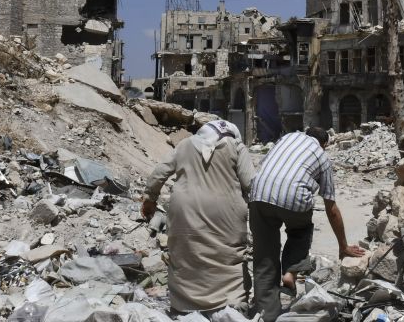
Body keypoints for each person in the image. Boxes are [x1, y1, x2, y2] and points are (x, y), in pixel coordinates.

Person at [247, 127, 367, 321]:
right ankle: (291, 271)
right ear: (324, 144)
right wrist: (343, 246)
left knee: (264, 256)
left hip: (259, 192)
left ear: (306, 134)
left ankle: (266, 314)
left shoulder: (287, 137)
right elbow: (331, 207)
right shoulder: (321, 156)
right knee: (300, 231)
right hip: (293, 197)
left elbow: (265, 165)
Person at [142, 120, 256, 314]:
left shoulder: (184, 144)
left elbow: (159, 173)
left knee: (185, 253)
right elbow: (251, 184)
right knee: (228, 255)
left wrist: (150, 199)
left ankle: (184, 306)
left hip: (184, 209)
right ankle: (231, 303)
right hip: (226, 210)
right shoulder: (236, 146)